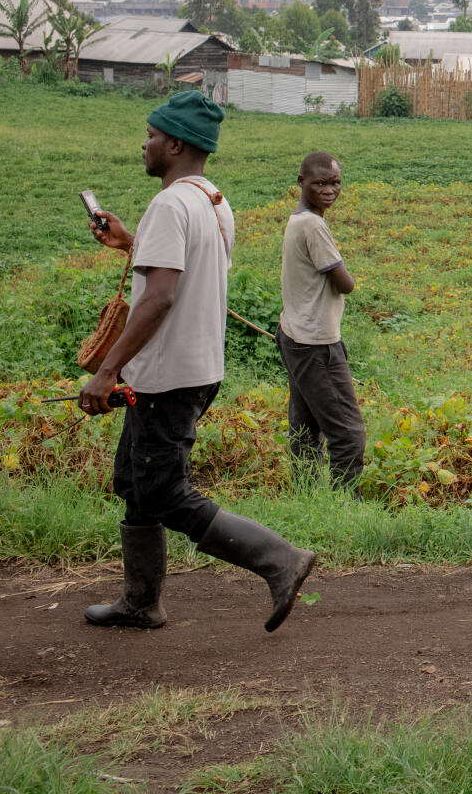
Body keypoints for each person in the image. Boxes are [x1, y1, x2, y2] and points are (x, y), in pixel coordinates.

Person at [80, 92, 318, 632]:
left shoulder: (169, 203)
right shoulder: (212, 200)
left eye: (150, 135)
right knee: (134, 480)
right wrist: (128, 243)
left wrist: (107, 369)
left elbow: (161, 296)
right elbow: (181, 267)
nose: (143, 144)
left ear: (175, 143)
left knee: (163, 490)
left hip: (166, 376)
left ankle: (281, 560)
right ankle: (141, 603)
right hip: (198, 368)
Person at [279, 152, 364, 489]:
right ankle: (346, 505)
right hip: (316, 342)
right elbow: (346, 283)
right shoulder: (313, 225)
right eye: (320, 183)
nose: (329, 190)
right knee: (348, 432)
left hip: (294, 334)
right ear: (301, 183)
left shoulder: (298, 218)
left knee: (305, 428)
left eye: (335, 183)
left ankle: (307, 495)